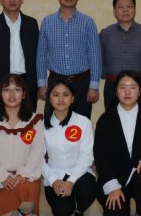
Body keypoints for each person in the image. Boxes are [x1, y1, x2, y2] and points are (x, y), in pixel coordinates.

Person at [94, 70, 141, 216]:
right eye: (123, 87)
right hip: (114, 176)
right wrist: (113, 187)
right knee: (116, 212)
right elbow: (101, 157)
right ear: (116, 91)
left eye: (132, 87)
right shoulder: (105, 120)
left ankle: (140, 211)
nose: (127, 92)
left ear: (139, 92)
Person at [0, 74, 45, 216]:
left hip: (26, 175)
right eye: (6, 90)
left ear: (24, 94)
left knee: (27, 203)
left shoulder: (35, 121)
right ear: (0, 94)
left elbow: (37, 152)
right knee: (0, 209)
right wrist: (3, 177)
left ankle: (23, 212)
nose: (11, 94)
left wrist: (23, 174)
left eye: (17, 89)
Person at [36, 0, 101, 119]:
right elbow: (41, 55)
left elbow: (95, 56)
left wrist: (94, 86)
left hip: (82, 83)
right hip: (55, 81)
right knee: (53, 123)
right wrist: (41, 84)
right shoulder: (47, 22)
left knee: (81, 123)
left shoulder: (88, 22)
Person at [42, 78, 96, 216]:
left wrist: (71, 181)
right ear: (50, 99)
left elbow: (87, 156)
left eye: (65, 95)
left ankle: (79, 211)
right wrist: (53, 180)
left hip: (80, 172)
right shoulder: (41, 125)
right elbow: (37, 158)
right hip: (55, 174)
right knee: (63, 211)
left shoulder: (83, 122)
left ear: (72, 99)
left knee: (87, 191)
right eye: (56, 95)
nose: (61, 99)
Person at [0, 0, 39, 105]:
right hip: (1, 83)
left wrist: (39, 85)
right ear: (0, 0)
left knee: (27, 116)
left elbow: (38, 57)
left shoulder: (31, 24)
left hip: (27, 83)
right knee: (3, 117)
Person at [99, 0, 141, 110]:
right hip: (112, 85)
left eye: (129, 6)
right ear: (114, 11)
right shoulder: (105, 33)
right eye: (120, 7)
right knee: (112, 118)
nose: (125, 10)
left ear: (134, 10)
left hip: (139, 85)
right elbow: (99, 58)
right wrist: (104, 74)